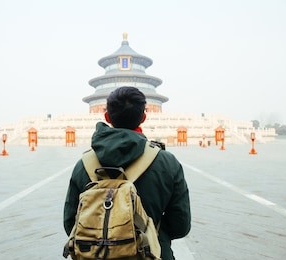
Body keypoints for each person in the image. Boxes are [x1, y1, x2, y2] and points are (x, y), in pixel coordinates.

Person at [63, 86, 191, 259]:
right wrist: (150, 230)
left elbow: (70, 223)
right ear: (143, 117)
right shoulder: (167, 163)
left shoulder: (83, 164)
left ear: (106, 116)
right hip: (154, 254)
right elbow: (180, 225)